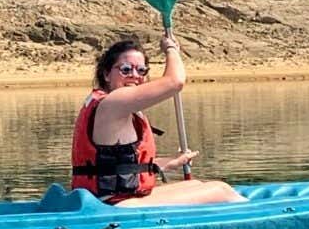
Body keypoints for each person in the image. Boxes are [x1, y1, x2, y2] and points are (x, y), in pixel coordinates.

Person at [70, 36, 244, 206]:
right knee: (222, 190)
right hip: (114, 205)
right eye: (125, 69)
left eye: (141, 70)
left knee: (195, 185)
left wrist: (170, 162)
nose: (134, 75)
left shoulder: (107, 103)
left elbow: (121, 168)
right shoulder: (113, 102)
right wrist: (171, 49)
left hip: (110, 198)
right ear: (107, 74)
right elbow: (175, 82)